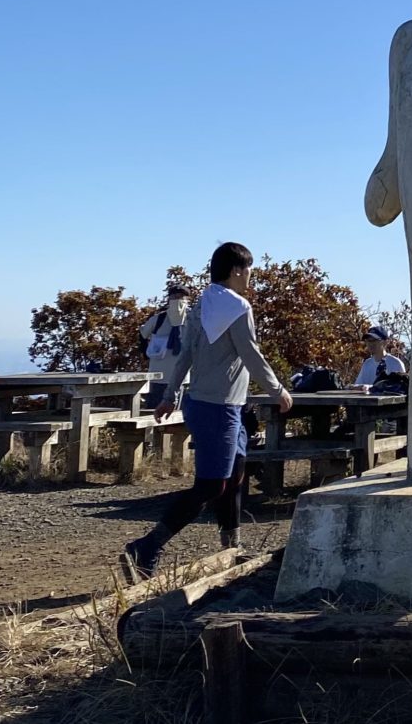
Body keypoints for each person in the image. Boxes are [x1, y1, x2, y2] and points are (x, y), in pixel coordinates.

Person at [121, 243, 292, 579]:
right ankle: (147, 546)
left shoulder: (202, 305)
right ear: (237, 270)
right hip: (219, 408)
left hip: (213, 404)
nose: (250, 276)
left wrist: (171, 394)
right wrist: (278, 390)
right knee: (212, 485)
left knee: (235, 477)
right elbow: (251, 354)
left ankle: (232, 549)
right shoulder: (238, 308)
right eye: (249, 269)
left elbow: (186, 354)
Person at [139, 284, 191, 409]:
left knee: (178, 414)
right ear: (168, 299)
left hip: (182, 378)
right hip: (158, 375)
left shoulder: (193, 318)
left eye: (181, 297)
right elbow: (143, 334)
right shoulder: (159, 319)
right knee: (153, 410)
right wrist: (146, 354)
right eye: (174, 297)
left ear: (187, 299)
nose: (177, 300)